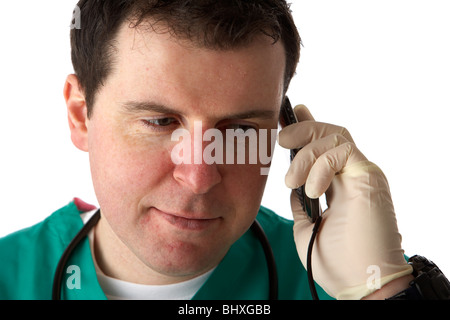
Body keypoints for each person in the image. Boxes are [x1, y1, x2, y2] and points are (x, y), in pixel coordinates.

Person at [0, 0, 448, 300]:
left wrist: (384, 292)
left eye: (238, 130)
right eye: (160, 122)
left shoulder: (349, 279)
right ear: (81, 115)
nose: (199, 176)